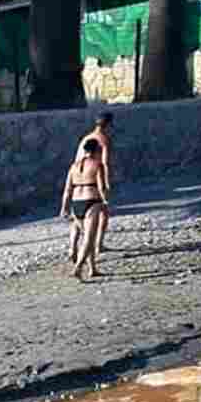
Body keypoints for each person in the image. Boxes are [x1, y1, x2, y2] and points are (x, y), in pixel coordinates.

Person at [60, 138, 109, 281]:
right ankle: (78, 267)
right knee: (88, 237)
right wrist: (105, 200)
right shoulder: (97, 165)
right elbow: (101, 186)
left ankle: (93, 269)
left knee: (89, 237)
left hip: (76, 202)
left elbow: (67, 190)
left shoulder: (73, 166)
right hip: (92, 201)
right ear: (96, 151)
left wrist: (64, 208)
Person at [73, 110, 114, 257]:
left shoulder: (86, 138)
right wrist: (107, 183)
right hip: (94, 179)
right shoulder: (103, 139)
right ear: (109, 125)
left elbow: (77, 159)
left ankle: (73, 247)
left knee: (78, 218)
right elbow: (105, 163)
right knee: (103, 213)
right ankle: (98, 245)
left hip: (79, 178)